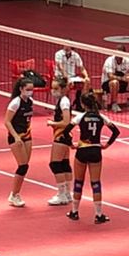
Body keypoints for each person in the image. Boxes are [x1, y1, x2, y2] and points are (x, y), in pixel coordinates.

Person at [68, 90, 120, 224]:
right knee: (95, 183)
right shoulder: (101, 117)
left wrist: (71, 144)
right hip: (96, 151)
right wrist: (106, 145)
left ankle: (74, 212)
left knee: (78, 182)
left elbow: (65, 132)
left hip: (82, 150)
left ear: (83, 104)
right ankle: (98, 214)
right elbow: (116, 131)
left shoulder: (80, 117)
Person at [2, 76, 36, 208]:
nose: (30, 92)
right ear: (21, 89)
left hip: (27, 135)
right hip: (16, 136)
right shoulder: (15, 103)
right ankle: (14, 195)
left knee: (26, 165)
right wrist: (16, 136)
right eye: (28, 89)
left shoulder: (30, 101)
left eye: (32, 89)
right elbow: (7, 122)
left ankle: (16, 194)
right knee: (23, 166)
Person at [45, 79, 76, 208]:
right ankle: (68, 193)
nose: (53, 91)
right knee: (64, 164)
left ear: (63, 89)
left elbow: (66, 122)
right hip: (64, 135)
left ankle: (61, 194)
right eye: (52, 88)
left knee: (55, 164)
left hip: (61, 135)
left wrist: (52, 123)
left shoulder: (64, 102)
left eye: (56, 89)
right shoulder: (62, 101)